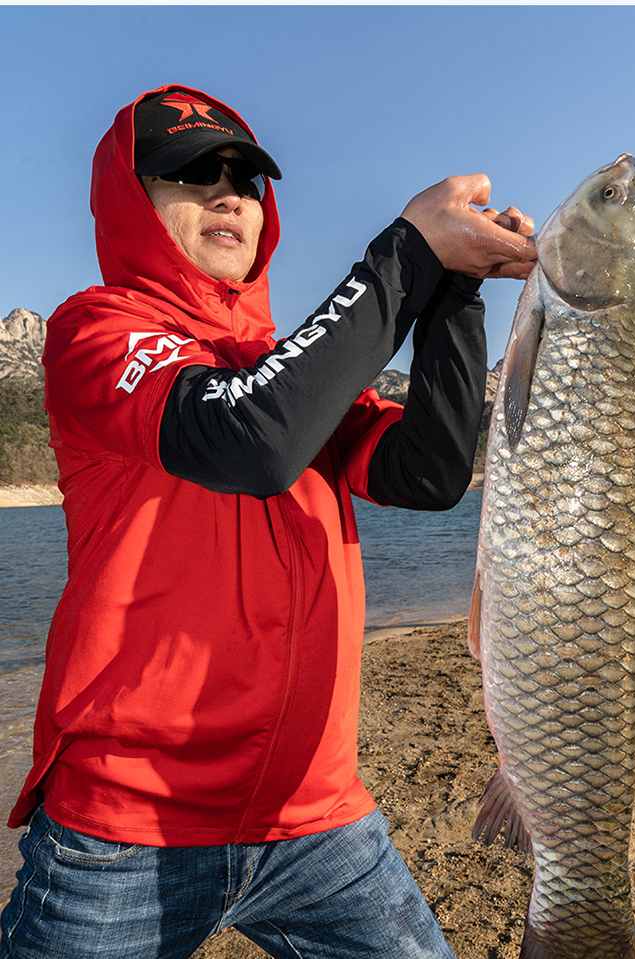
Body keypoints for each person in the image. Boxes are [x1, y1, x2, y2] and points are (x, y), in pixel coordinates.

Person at [0, 85, 536, 959]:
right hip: (129, 827)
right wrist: (402, 254)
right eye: (191, 172)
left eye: (245, 176)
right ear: (131, 199)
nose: (228, 193)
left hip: (318, 818)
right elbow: (252, 439)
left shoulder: (289, 372)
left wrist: (452, 297)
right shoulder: (93, 332)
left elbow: (430, 472)